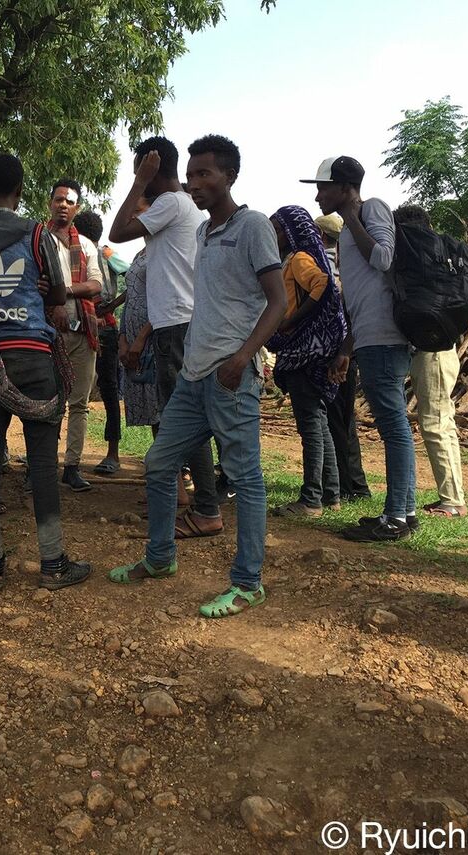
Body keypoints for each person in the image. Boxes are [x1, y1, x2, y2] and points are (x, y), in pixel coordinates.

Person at [110, 134, 286, 618]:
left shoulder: (252, 226)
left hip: (231, 376)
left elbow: (278, 302)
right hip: (194, 374)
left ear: (230, 176)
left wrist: (243, 357)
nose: (195, 183)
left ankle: (248, 582)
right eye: (191, 174)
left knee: (246, 478)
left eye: (205, 174)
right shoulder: (204, 233)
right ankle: (161, 558)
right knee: (159, 462)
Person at [0, 153, 92, 592]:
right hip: (34, 358)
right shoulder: (37, 234)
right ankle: (52, 564)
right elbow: (61, 293)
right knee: (44, 464)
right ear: (22, 189)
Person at [108, 135, 221, 536]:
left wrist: (140, 182)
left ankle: (206, 509)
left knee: (183, 418)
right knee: (183, 415)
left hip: (177, 325)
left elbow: (117, 230)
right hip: (179, 323)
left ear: (153, 166)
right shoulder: (182, 206)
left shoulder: (171, 202)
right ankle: (187, 500)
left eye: (139, 167)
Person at [306, 156, 415, 541]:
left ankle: (396, 518)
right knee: (395, 424)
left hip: (385, 336)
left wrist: (352, 217)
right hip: (369, 336)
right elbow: (359, 294)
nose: (318, 196)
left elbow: (385, 257)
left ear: (345, 187)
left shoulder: (372, 209)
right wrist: (348, 346)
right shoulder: (352, 226)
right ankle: (407, 510)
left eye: (322, 187)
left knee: (394, 427)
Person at [265, 205, 347, 516]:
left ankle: (311, 499)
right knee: (319, 423)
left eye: (275, 229)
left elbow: (323, 285)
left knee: (311, 425)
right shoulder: (300, 258)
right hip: (312, 349)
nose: (272, 236)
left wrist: (292, 322)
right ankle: (331, 494)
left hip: (305, 352)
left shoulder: (299, 259)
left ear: (289, 232)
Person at [395, 203, 468, 518]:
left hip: (434, 354)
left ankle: (453, 502)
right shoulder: (441, 259)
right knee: (443, 422)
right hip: (443, 349)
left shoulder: (421, 260)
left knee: (436, 424)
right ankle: (451, 497)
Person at [45, 179, 103, 492]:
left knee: (79, 403)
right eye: (59, 200)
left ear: (76, 208)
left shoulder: (88, 246)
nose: (63, 205)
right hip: (47, 334)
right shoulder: (37, 241)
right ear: (50, 204)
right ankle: (41, 466)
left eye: (69, 201)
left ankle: (72, 467)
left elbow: (97, 286)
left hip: (83, 334)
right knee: (48, 401)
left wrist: (61, 292)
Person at [315, 212, 371, 502]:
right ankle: (354, 484)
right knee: (344, 419)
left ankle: (347, 487)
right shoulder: (347, 264)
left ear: (320, 235)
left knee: (335, 419)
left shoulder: (324, 264)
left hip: (337, 352)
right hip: (350, 348)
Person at [74, 210, 123, 476]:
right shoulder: (106, 253)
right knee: (109, 390)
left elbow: (133, 275)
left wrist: (108, 306)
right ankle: (112, 454)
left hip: (93, 327)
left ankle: (108, 454)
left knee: (84, 391)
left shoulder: (96, 253)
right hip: (100, 327)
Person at [117, 199, 160, 433]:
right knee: (151, 410)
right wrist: (123, 338)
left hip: (154, 339)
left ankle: (178, 468)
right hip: (134, 342)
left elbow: (167, 299)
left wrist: (142, 338)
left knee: (163, 405)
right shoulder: (140, 254)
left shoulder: (164, 251)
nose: (133, 218)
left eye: (138, 211)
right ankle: (163, 467)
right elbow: (131, 296)